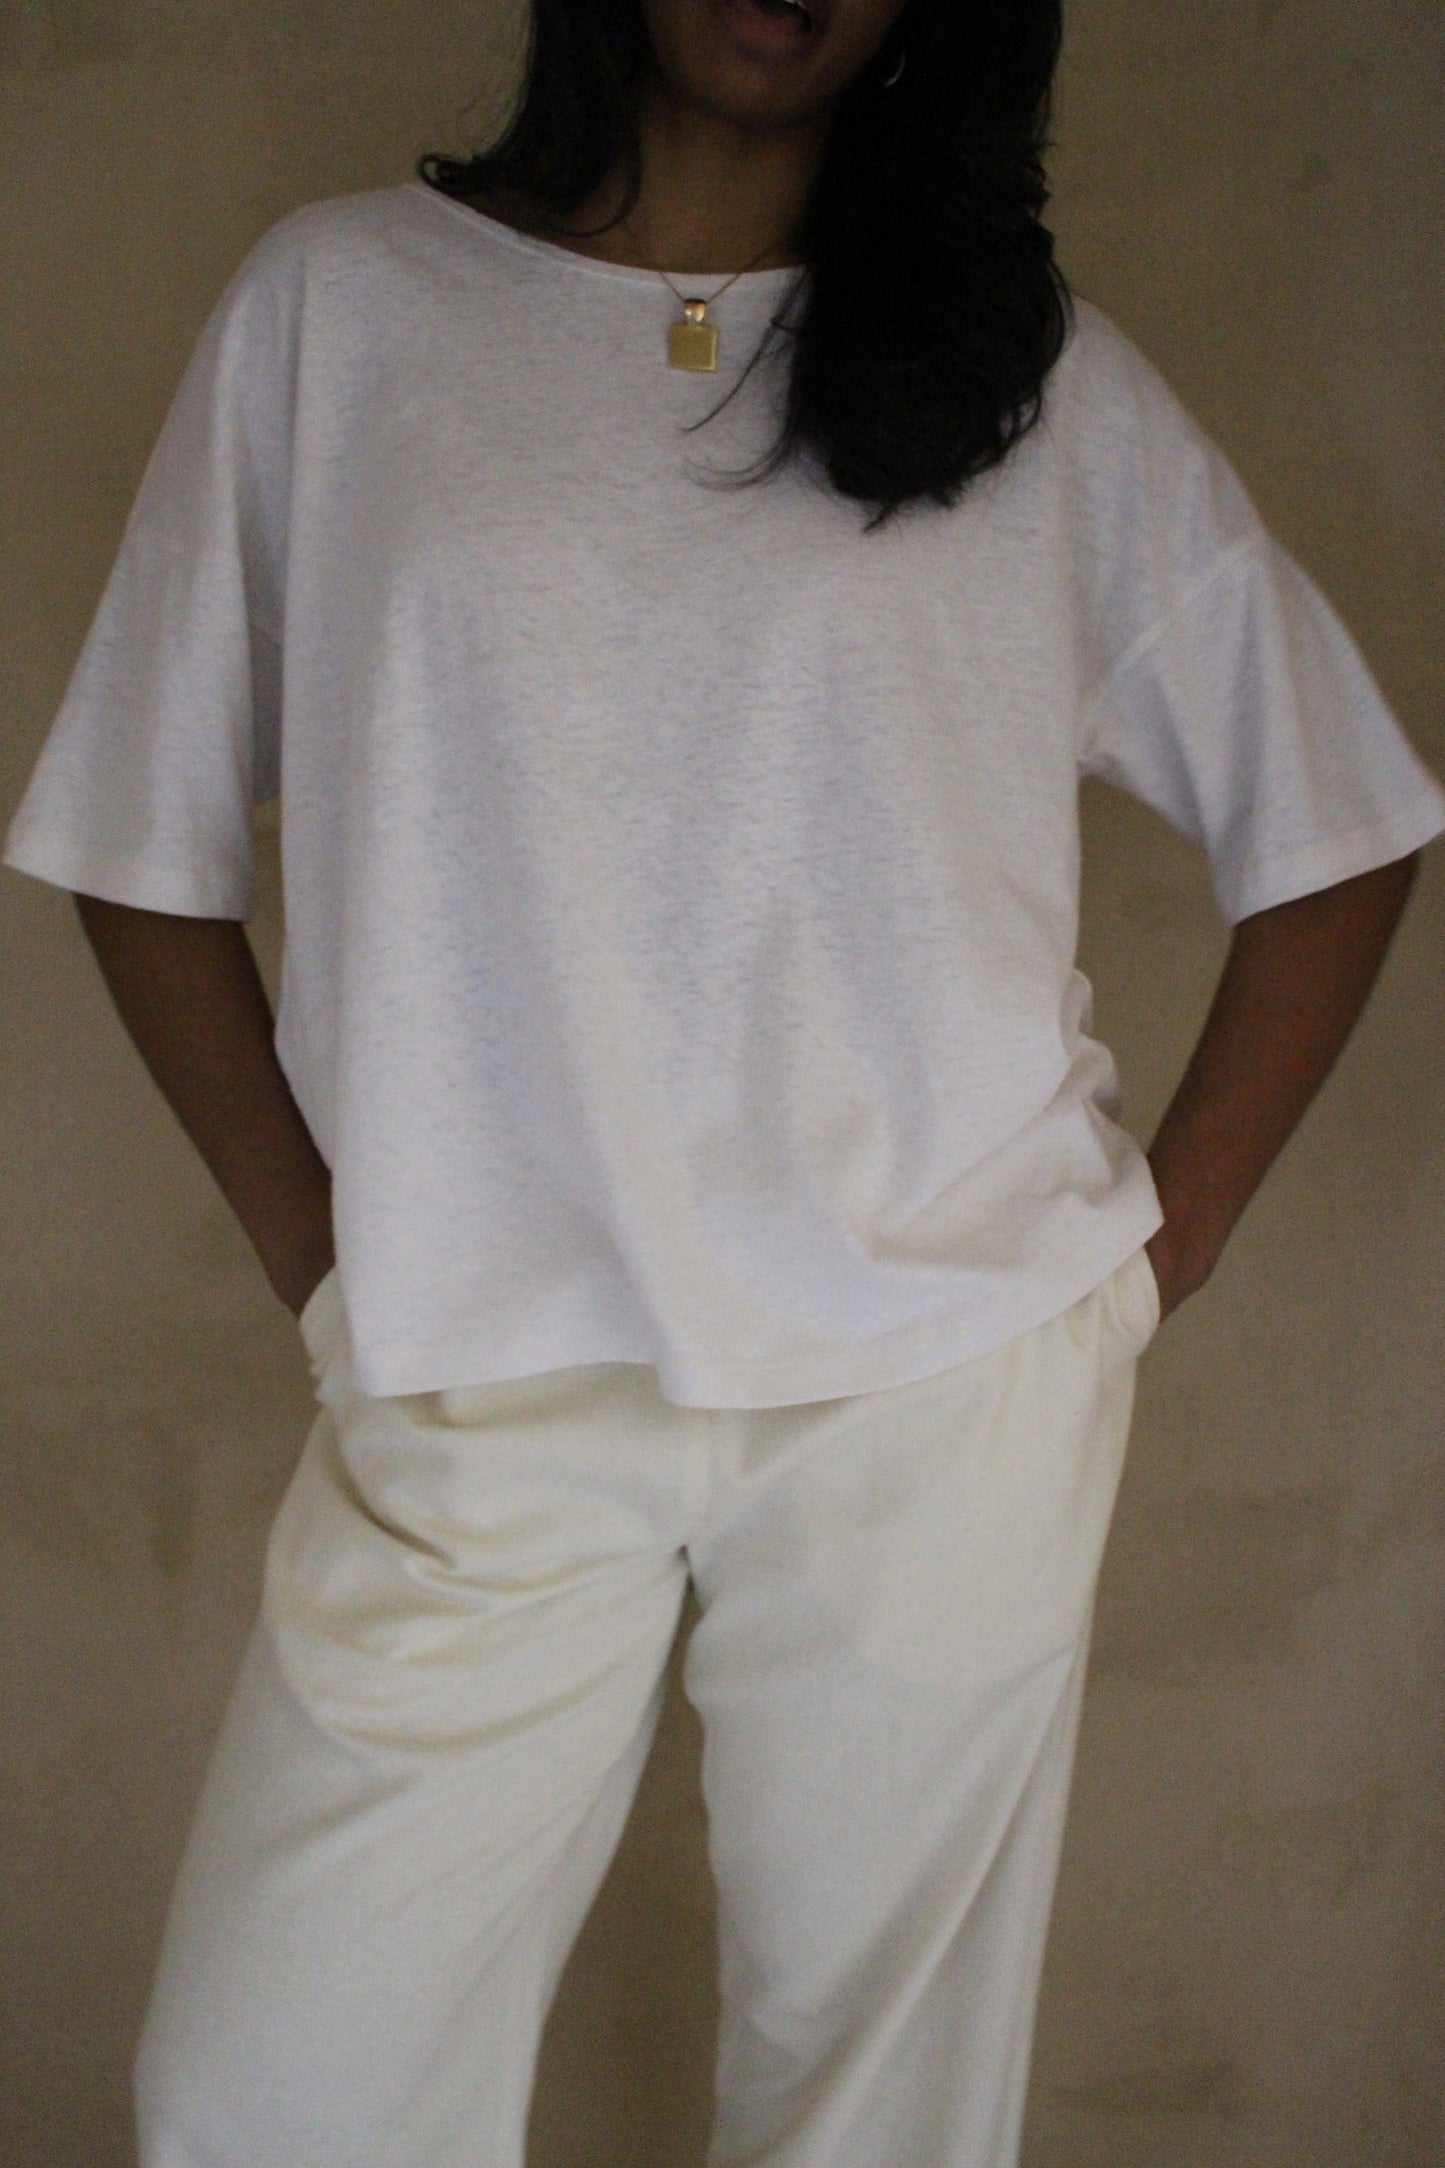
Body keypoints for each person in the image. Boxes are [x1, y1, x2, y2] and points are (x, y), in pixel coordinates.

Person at [5, 1, 1442, 2163]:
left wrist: (1148, 1260)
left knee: (877, 2118)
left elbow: (1336, 821)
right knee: (272, 2101)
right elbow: (140, 836)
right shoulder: (347, 308)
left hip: (937, 1373)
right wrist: (325, 1256)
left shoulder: (1024, 369)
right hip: (481, 1376)